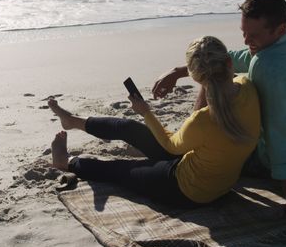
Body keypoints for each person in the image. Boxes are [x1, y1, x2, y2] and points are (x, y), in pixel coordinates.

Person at [152, 0, 286, 221]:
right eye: (244, 32)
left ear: (279, 29)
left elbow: (281, 138)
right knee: (215, 74)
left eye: (253, 35)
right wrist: (179, 71)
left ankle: (193, 139)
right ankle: (194, 135)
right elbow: (242, 58)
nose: (246, 41)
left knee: (212, 82)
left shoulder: (272, 71)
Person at [48, 36, 261, 208]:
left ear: (195, 78)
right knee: (128, 128)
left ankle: (65, 161)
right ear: (229, 63)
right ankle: (72, 121)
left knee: (119, 170)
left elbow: (171, 146)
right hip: (216, 178)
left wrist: (146, 112)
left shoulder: (203, 120)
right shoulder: (248, 87)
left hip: (187, 190)